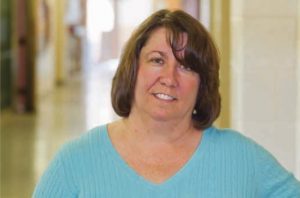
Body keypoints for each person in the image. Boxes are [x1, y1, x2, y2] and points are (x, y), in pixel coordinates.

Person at [33, 9, 300, 197]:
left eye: (186, 66)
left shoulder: (242, 159)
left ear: (202, 83)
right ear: (133, 68)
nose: (169, 78)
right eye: (157, 60)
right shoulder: (75, 163)